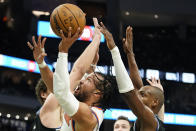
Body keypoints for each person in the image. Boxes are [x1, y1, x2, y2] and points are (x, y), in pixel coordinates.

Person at [27, 18, 118, 131]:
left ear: (97, 93)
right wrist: (41, 64)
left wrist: (64, 50)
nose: (81, 80)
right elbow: (65, 83)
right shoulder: (80, 104)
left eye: (88, 80)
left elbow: (70, 80)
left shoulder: (89, 116)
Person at [98, 22, 165, 131]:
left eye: (142, 95)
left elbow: (129, 93)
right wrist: (130, 54)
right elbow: (138, 87)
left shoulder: (150, 120)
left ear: (154, 102)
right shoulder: (152, 121)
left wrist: (114, 50)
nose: (138, 95)